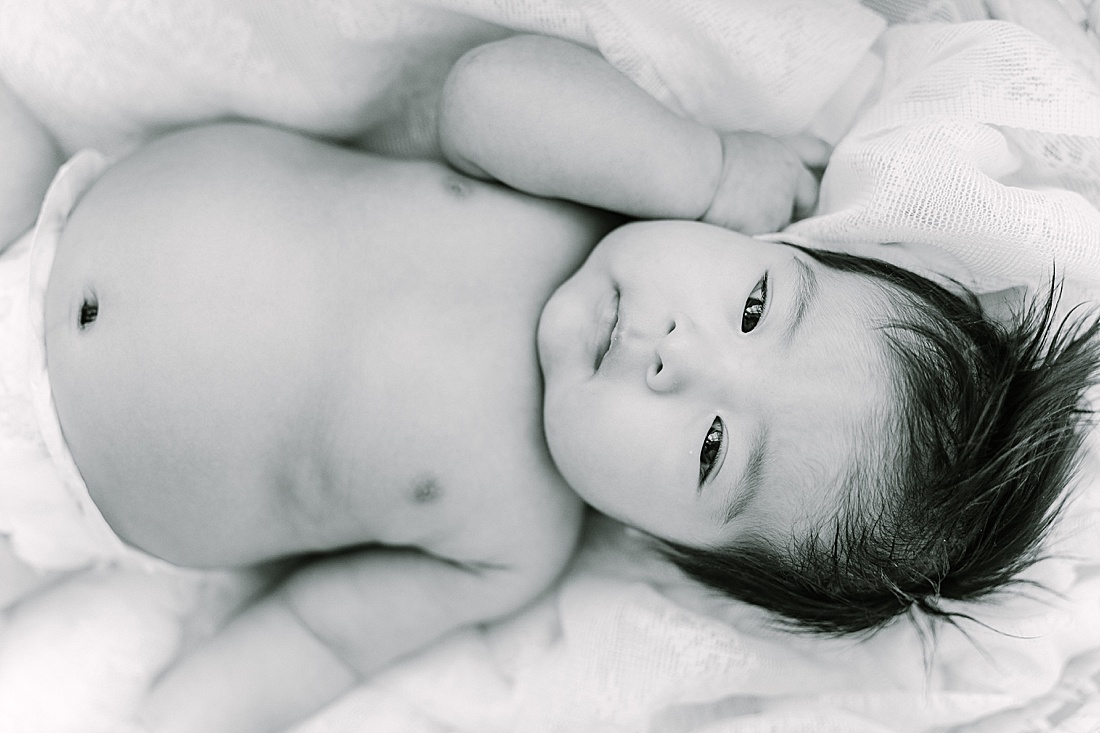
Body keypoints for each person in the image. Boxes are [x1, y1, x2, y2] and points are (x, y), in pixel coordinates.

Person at [1, 34, 1097, 733]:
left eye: (712, 448)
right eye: (756, 305)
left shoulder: (507, 542)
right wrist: (700, 166)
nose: (678, 352)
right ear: (781, 242)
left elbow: (321, 638)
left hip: (39, 485)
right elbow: (482, 91)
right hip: (43, 220)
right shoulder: (571, 200)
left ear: (681, 550)